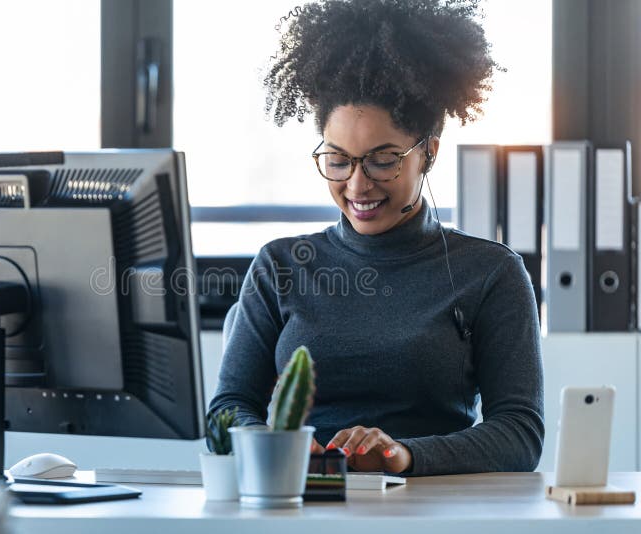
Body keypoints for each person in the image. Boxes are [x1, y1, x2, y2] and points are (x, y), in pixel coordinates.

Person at [207, 0, 543, 476]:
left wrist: (401, 456)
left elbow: (521, 433)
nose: (358, 185)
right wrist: (276, 452)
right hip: (299, 505)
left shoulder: (490, 272)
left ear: (427, 152)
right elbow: (227, 410)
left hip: (434, 510)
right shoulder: (280, 265)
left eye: (383, 159)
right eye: (338, 159)